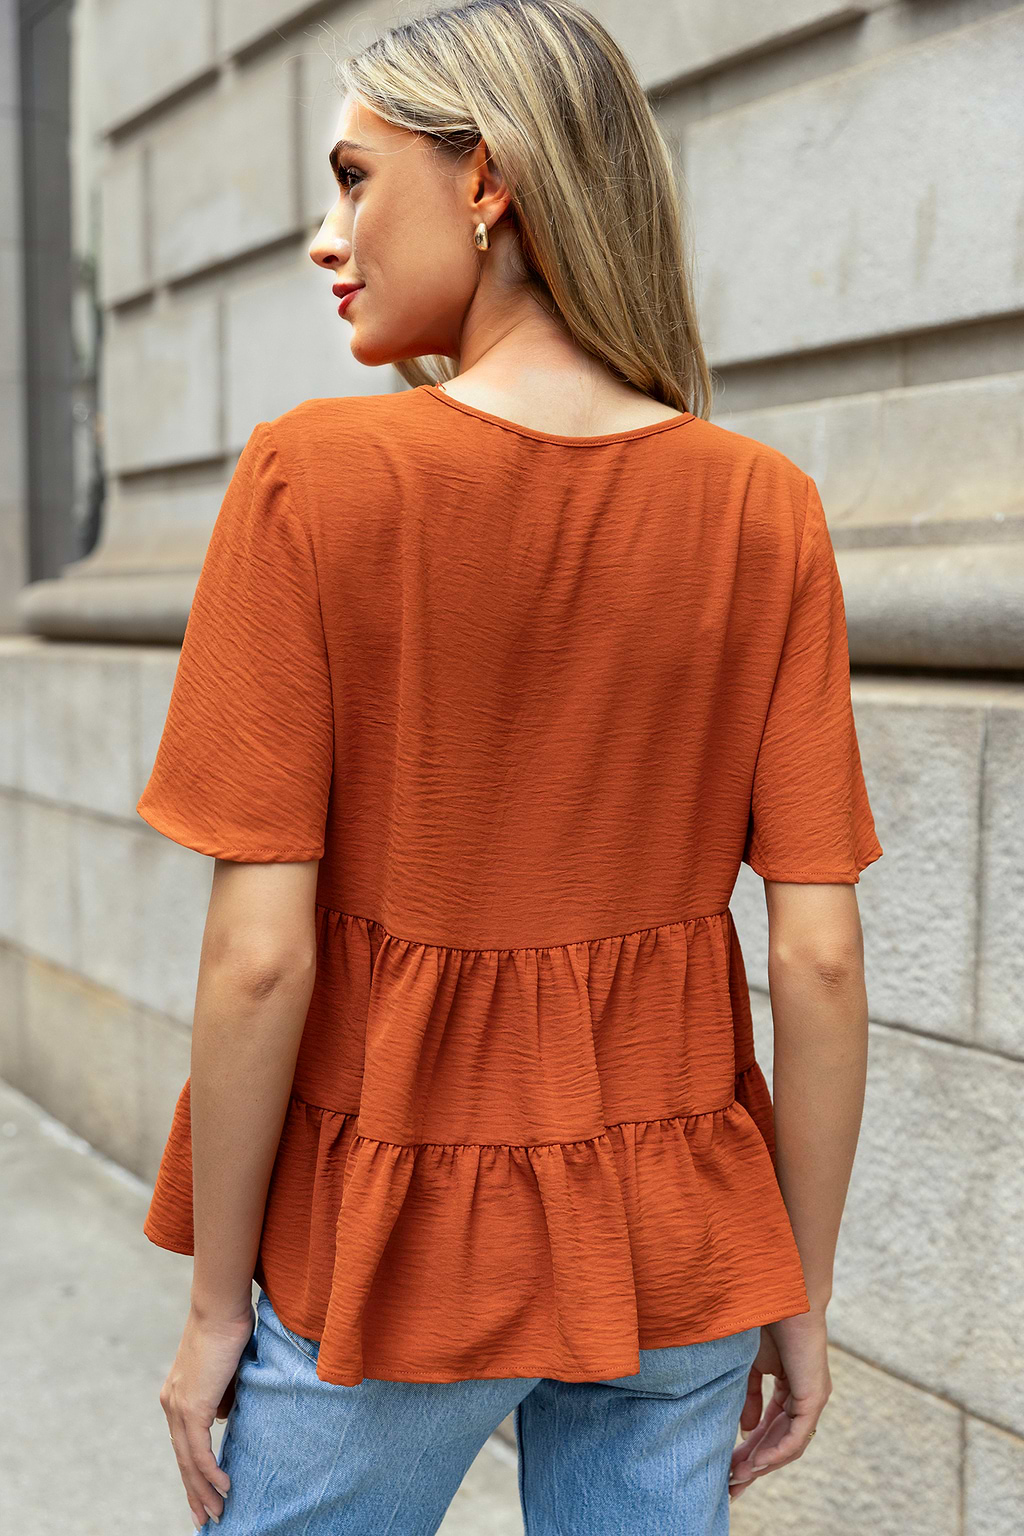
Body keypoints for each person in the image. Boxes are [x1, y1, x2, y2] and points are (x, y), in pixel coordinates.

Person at [136, 2, 883, 1531]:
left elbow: (259, 960)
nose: (323, 237)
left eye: (354, 178)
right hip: (678, 1244)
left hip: (389, 1252)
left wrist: (218, 1310)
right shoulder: (764, 509)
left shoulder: (314, 481)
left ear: (486, 181)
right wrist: (793, 1285)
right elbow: (817, 955)